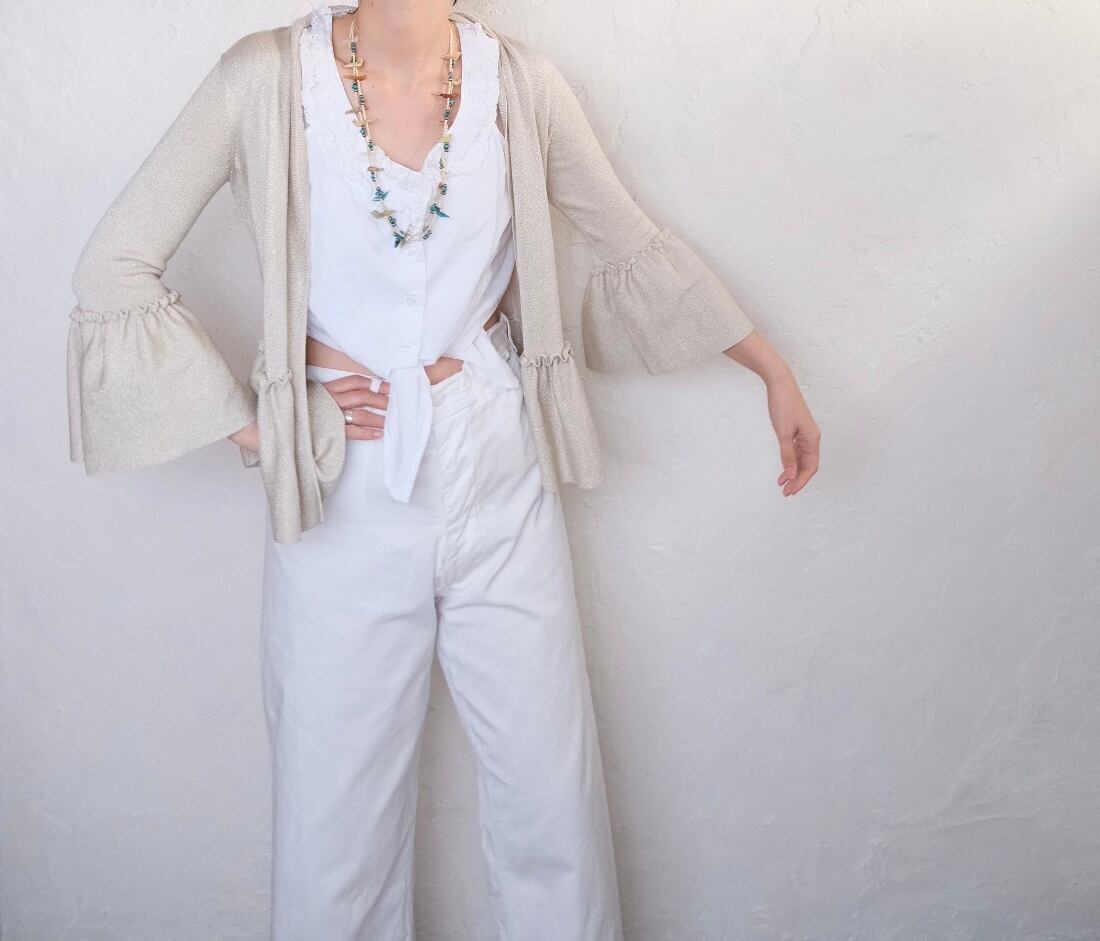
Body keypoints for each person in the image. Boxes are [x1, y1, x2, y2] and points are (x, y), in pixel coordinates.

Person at [66, 2, 820, 938]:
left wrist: (770, 370)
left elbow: (628, 238)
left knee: (551, 800)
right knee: (336, 823)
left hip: (500, 458)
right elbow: (112, 264)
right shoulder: (264, 77)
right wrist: (258, 426)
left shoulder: (520, 85)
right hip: (340, 482)